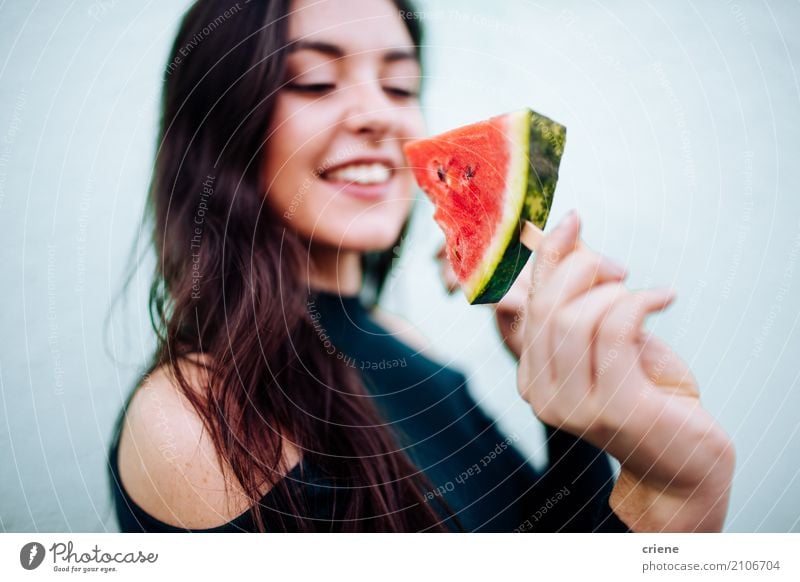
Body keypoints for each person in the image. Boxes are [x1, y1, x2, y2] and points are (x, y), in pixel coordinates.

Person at [107, 0, 734, 533]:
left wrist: (587, 422)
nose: (380, 114)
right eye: (315, 80)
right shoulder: (192, 421)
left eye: (401, 86)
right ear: (223, 125)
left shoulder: (403, 346)